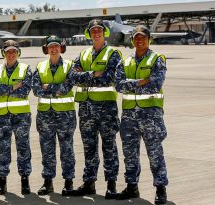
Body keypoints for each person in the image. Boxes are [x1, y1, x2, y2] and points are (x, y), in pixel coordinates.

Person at [115, 25, 168, 204]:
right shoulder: (125, 61)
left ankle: (160, 188)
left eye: (143, 37)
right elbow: (118, 85)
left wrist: (132, 83)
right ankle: (132, 187)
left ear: (149, 39)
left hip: (150, 114)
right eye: (136, 37)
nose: (139, 40)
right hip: (129, 115)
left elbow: (155, 83)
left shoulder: (157, 59)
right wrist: (142, 81)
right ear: (132, 40)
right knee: (129, 153)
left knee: (154, 152)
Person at [69, 19, 121, 199]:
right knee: (89, 147)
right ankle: (89, 183)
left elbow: (108, 78)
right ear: (89, 34)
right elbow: (72, 78)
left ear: (104, 33)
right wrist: (93, 74)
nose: (96, 33)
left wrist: (84, 75)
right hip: (86, 110)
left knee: (109, 147)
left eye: (99, 30)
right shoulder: (82, 54)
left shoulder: (113, 54)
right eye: (93, 31)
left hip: (106, 109)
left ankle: (111, 184)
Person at [32, 35, 76, 196]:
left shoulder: (70, 65)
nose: (54, 49)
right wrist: (55, 88)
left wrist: (47, 86)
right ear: (47, 49)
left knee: (67, 149)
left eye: (57, 46)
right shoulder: (40, 66)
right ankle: (48, 182)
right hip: (45, 115)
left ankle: (68, 182)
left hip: (65, 114)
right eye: (51, 46)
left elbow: (67, 87)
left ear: (61, 48)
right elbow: (36, 89)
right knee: (47, 149)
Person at [0, 40, 32, 195]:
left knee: (23, 148)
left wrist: (6, 89)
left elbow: (25, 91)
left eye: (13, 51)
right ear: (3, 53)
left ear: (18, 53)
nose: (11, 54)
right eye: (8, 52)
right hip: (2, 117)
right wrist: (14, 86)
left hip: (21, 116)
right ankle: (2, 182)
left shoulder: (26, 69)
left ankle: (25, 181)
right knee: (3, 149)